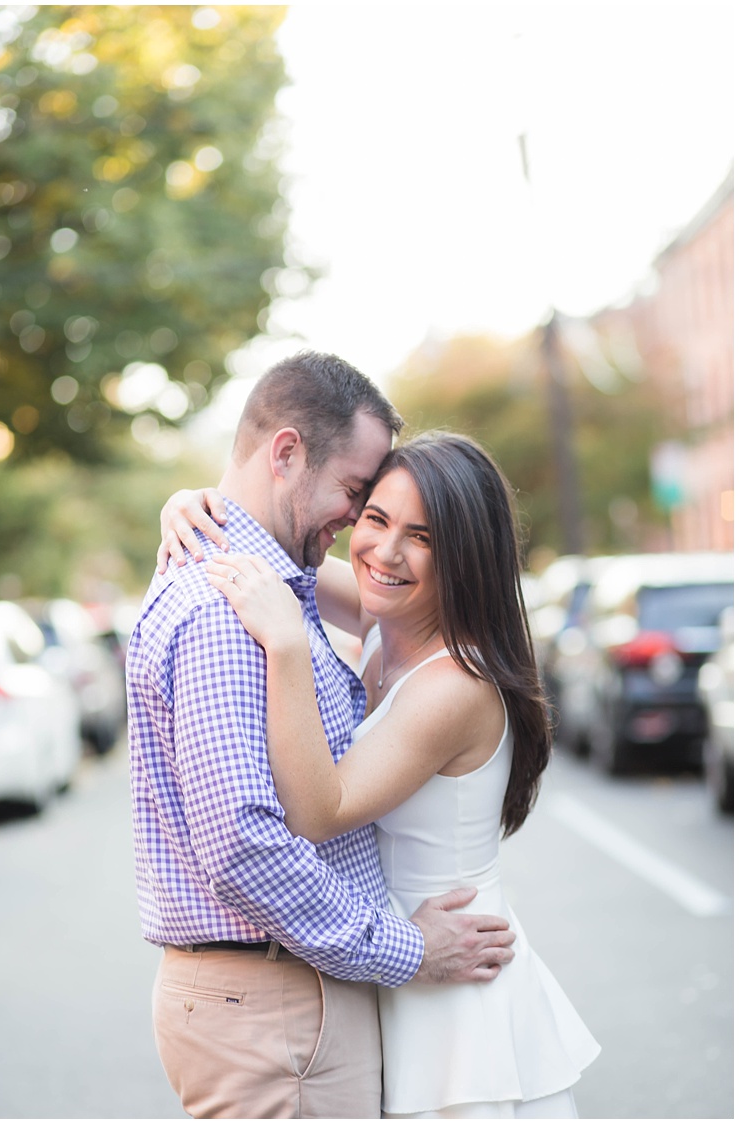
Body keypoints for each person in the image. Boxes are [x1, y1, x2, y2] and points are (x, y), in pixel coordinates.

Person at [127, 352, 518, 1120]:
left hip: (370, 976)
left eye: (418, 531)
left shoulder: (282, 592)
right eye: (360, 502)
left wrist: (199, 505)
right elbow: (246, 842)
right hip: (287, 997)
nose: (361, 533)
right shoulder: (232, 609)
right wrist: (409, 951)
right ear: (285, 454)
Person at [165, 430, 600, 1118]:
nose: (386, 552)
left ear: (467, 557)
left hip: (455, 978)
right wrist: (189, 506)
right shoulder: (387, 620)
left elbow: (318, 810)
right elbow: (253, 554)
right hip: (403, 958)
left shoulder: (455, 683)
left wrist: (288, 648)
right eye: (376, 519)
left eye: (423, 537)